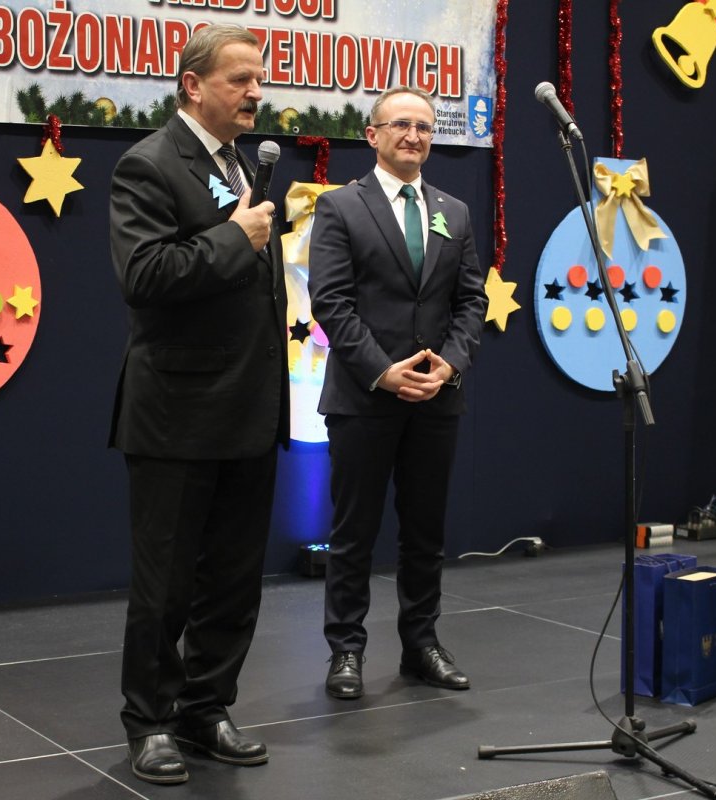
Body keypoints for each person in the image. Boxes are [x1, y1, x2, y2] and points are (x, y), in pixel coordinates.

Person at [107, 24, 288, 785]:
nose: (256, 93)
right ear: (192, 85)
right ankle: (149, 721)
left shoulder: (241, 163)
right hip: (178, 413)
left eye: (259, 79)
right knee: (166, 586)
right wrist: (236, 237)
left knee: (234, 582)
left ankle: (206, 709)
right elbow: (144, 275)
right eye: (240, 79)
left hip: (248, 407)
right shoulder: (148, 164)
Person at [307, 86, 488, 700]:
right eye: (401, 124)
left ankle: (422, 645)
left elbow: (471, 301)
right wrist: (384, 372)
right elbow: (331, 302)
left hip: (436, 399)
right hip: (364, 398)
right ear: (373, 134)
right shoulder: (339, 206)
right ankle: (346, 650)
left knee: (425, 532)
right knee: (353, 532)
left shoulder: (454, 212)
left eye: (425, 127)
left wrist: (450, 364)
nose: (414, 135)